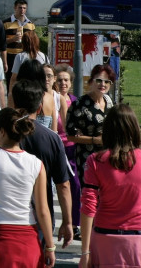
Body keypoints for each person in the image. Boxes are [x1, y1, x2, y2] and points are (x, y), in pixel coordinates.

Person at [0, 78, 74, 248]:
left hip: (0, 218)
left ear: (12, 103)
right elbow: (63, 185)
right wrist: (68, 222)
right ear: (39, 108)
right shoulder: (52, 138)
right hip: (40, 218)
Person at [0, 107, 56, 268]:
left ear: (2, 132)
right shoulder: (36, 164)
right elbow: (43, 210)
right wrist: (50, 246)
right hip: (28, 238)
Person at [79, 104, 141, 267]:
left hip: (105, 236)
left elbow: (88, 206)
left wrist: (85, 251)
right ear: (134, 128)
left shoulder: (95, 161)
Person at [67, 64, 115, 189]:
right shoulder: (79, 104)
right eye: (99, 80)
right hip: (87, 158)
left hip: (109, 157)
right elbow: (71, 136)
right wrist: (94, 140)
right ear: (91, 81)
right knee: (91, 197)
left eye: (107, 81)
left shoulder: (109, 102)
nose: (102, 84)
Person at [54, 64, 81, 230]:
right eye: (60, 80)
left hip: (72, 148)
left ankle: (75, 223)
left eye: (66, 80)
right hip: (57, 147)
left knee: (76, 185)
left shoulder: (77, 102)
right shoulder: (51, 99)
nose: (63, 83)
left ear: (71, 83)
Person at [3, 0, 35, 72]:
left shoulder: (30, 24)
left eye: (24, 8)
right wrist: (12, 39)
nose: (22, 10)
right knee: (11, 79)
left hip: (26, 56)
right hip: (11, 56)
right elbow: (1, 41)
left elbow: (33, 42)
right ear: (15, 8)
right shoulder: (6, 23)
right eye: (20, 8)